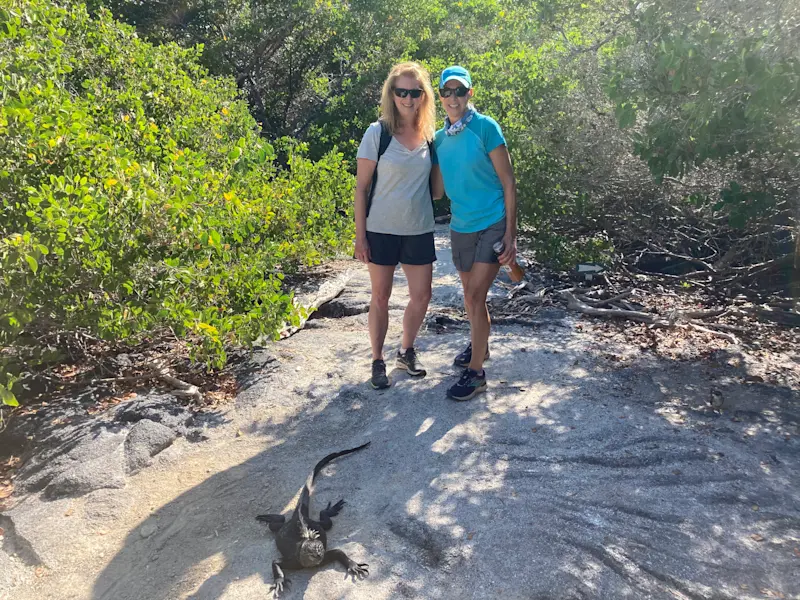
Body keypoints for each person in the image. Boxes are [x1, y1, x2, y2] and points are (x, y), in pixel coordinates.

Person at [354, 62, 443, 390]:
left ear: (424, 96)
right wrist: (360, 236)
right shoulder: (377, 133)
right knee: (380, 296)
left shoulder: (432, 138)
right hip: (381, 228)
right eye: (401, 91)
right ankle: (377, 360)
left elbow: (437, 192)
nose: (407, 98)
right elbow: (361, 188)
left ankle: (406, 351)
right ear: (391, 94)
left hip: (418, 228)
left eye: (414, 93)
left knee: (422, 295)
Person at [432, 65, 518, 401]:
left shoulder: (486, 128)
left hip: (492, 222)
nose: (453, 98)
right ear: (440, 96)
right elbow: (437, 192)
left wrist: (510, 234)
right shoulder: (439, 139)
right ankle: (479, 345)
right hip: (461, 227)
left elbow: (508, 182)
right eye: (447, 91)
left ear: (470, 93)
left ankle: (476, 373)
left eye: (460, 91)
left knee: (473, 297)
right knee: (472, 297)